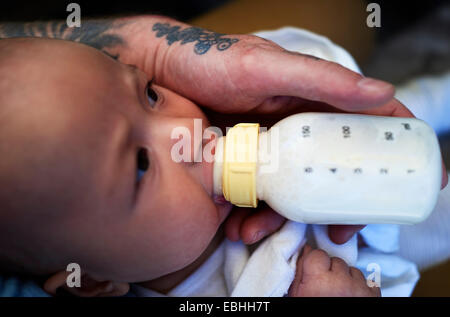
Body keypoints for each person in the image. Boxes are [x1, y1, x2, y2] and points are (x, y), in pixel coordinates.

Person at [0, 37, 379, 297]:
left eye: (150, 94)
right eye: (141, 165)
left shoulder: (236, 118)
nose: (188, 131)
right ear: (93, 283)